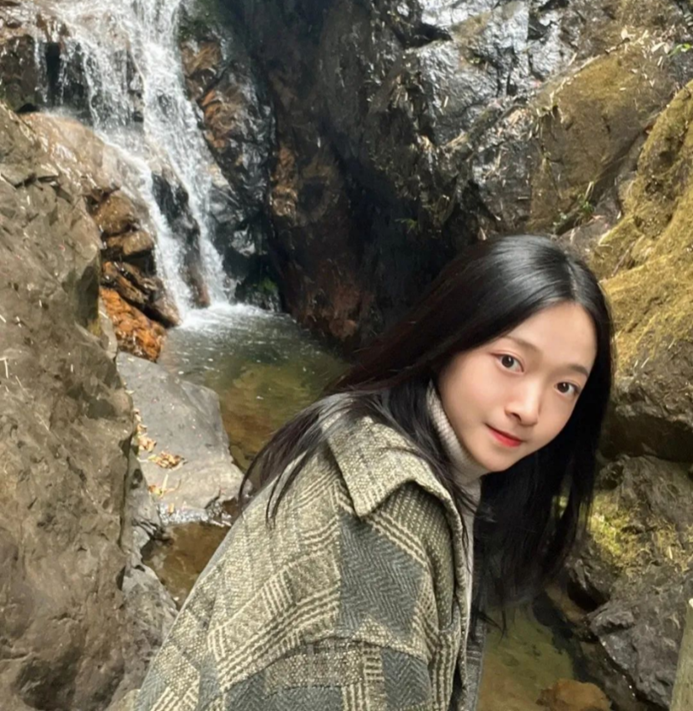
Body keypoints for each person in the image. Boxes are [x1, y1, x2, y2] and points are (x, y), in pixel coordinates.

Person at [129, 234, 613, 711]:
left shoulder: (373, 434)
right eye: (510, 361)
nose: (530, 408)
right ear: (450, 338)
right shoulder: (386, 515)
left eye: (565, 387)